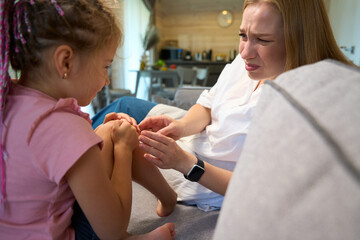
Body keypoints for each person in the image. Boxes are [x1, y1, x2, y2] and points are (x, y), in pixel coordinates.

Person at [92, 0, 354, 211]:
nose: (245, 52)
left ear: (299, 39)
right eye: (243, 35)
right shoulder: (245, 64)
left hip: (199, 168)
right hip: (194, 135)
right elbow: (207, 104)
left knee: (109, 137)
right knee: (121, 108)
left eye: (262, 40)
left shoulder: (302, 104)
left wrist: (185, 163)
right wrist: (181, 126)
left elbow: (258, 190)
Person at [0, 1, 177, 239]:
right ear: (65, 62)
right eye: (105, 66)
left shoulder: (7, 97)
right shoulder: (64, 127)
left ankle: (167, 198)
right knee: (119, 133)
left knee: (111, 129)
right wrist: (124, 148)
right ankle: (154, 215)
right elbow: (111, 230)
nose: (106, 80)